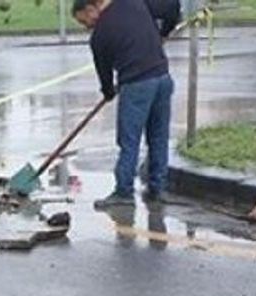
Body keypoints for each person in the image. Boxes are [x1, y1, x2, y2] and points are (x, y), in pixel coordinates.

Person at [73, 0, 181, 208]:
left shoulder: (99, 35)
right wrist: (163, 33)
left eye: (83, 20)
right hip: (163, 78)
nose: (85, 26)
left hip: (136, 84)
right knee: (158, 137)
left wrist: (108, 91)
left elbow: (104, 72)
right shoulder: (133, 2)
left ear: (89, 8)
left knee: (129, 141)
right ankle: (157, 189)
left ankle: (123, 192)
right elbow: (171, 7)